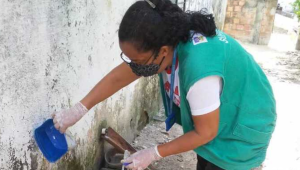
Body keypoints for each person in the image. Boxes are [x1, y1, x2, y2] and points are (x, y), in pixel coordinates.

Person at [52, 0, 277, 169]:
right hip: (217, 119)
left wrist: (154, 152)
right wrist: (79, 109)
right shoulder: (170, 40)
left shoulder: (199, 68)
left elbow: (206, 132)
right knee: (206, 160)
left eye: (139, 62)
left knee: (219, 163)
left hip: (244, 126)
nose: (134, 67)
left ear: (163, 51)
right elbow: (118, 77)